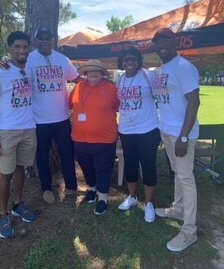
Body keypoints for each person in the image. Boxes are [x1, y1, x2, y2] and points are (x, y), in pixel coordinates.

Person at [152, 28, 200, 252]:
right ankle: (178, 209)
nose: (161, 45)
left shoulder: (184, 67)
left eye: (165, 41)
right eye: (157, 42)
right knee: (179, 175)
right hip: (167, 132)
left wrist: (183, 136)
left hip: (181, 135)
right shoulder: (163, 68)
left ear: (174, 43)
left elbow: (194, 102)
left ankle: (189, 231)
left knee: (186, 178)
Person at [0, 31, 37, 238]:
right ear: (10, 49)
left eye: (25, 47)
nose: (22, 50)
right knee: (6, 174)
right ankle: (3, 214)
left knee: (20, 168)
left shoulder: (30, 69)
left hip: (28, 128)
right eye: (17, 47)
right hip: (6, 130)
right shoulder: (0, 73)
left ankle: (17, 204)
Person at [27, 26, 81, 204]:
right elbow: (17, 77)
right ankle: (46, 188)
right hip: (39, 119)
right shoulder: (29, 59)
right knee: (42, 155)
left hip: (62, 117)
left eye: (47, 38)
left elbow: (76, 79)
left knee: (67, 152)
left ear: (52, 40)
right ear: (36, 41)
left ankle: (72, 186)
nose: (44, 41)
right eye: (41, 38)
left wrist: (95, 82)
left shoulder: (62, 59)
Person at [69, 59, 119, 215]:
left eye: (97, 71)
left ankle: (103, 198)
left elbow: (118, 107)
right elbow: (69, 104)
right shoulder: (78, 87)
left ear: (103, 73)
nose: (93, 73)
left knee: (103, 169)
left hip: (105, 139)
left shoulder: (111, 88)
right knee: (87, 167)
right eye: (90, 71)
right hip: (80, 137)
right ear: (85, 73)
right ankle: (92, 189)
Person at [117, 47, 161, 223]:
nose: (130, 63)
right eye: (126, 60)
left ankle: (149, 203)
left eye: (133, 59)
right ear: (122, 62)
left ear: (138, 61)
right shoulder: (119, 79)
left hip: (148, 129)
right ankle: (132, 197)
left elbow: (162, 97)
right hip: (127, 130)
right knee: (130, 164)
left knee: (148, 164)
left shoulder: (148, 77)